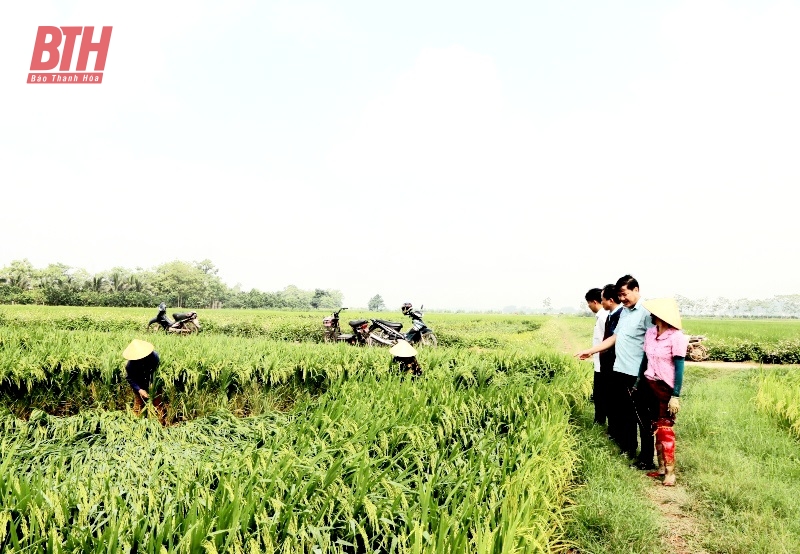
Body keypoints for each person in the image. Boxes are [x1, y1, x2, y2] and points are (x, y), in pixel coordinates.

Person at [575, 275, 655, 468]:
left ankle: (646, 459)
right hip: (620, 370)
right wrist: (591, 351)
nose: (623, 298)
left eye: (625, 294)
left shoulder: (646, 312)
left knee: (642, 417)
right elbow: (614, 338)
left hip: (638, 373)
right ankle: (628, 448)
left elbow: (653, 344)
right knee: (624, 413)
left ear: (636, 290)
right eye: (619, 295)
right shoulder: (626, 312)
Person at [635, 298, 688, 486]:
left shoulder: (677, 337)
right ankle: (660, 467)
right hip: (648, 384)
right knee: (652, 426)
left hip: (665, 387)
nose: (650, 315)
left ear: (662, 317)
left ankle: (670, 473)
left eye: (654, 313)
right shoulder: (650, 333)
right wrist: (638, 381)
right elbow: (644, 359)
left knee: (665, 429)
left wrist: (675, 395)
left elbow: (679, 368)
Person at [122, 339, 165, 424]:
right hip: (140, 385)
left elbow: (158, 370)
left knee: (157, 405)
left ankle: (160, 424)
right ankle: (135, 425)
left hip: (154, 385)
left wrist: (154, 383)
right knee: (138, 406)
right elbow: (130, 378)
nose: (141, 358)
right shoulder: (130, 365)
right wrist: (139, 389)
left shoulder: (154, 357)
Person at [598, 284, 622, 430]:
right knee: (609, 397)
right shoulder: (611, 315)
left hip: (614, 363)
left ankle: (616, 431)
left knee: (615, 399)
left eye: (603, 300)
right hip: (607, 363)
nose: (601, 303)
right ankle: (613, 430)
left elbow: (614, 340)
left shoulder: (620, 315)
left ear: (611, 300)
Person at [584, 288, 608, 424]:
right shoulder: (601, 316)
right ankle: (599, 419)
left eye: (589, 303)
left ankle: (600, 420)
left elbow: (606, 340)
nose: (589, 307)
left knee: (601, 393)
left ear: (594, 301)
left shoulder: (603, 317)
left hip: (603, 362)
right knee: (599, 393)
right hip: (599, 360)